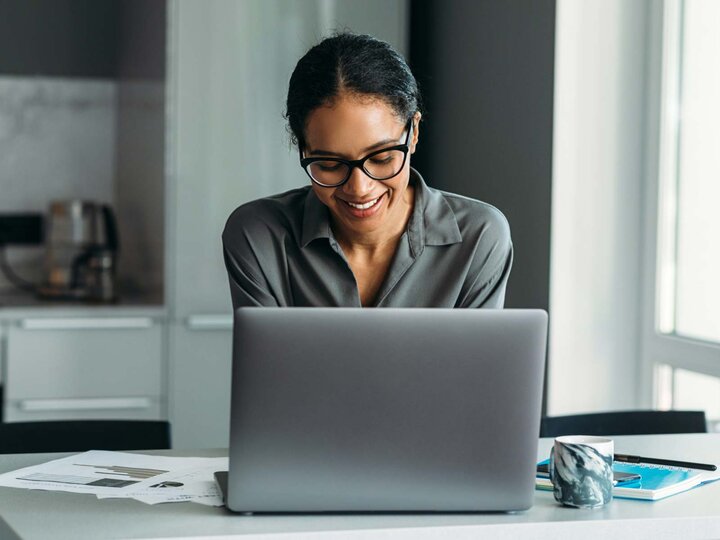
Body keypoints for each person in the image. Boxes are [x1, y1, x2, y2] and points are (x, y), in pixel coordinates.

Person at [222, 33, 512, 309]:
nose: (360, 188)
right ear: (303, 149)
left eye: (382, 158)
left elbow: (474, 363)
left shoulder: (479, 236)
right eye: (329, 165)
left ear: (413, 133)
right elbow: (269, 361)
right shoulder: (259, 235)